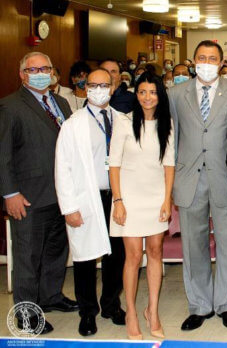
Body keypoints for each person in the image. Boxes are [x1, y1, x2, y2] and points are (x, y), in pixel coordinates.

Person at [168, 40, 227, 332]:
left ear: (222, 62)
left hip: (224, 177)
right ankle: (200, 305)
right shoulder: (175, 93)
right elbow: (172, 139)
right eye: (201, 57)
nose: (206, 62)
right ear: (192, 61)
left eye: (212, 58)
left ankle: (226, 304)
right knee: (194, 245)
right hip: (189, 178)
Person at [0, 51, 77, 335]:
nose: (41, 73)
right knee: (28, 256)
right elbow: (2, 154)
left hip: (61, 193)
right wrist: (9, 193)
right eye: (34, 69)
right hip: (28, 195)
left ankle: (51, 296)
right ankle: (27, 313)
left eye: (46, 68)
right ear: (22, 75)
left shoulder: (60, 102)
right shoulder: (9, 107)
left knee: (56, 250)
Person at [55, 68, 127, 337]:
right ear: (85, 87)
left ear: (113, 87)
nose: (99, 90)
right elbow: (62, 168)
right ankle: (88, 312)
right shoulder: (73, 124)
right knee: (85, 259)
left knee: (116, 256)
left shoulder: (122, 119)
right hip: (87, 198)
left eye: (104, 85)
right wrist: (69, 208)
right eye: (93, 85)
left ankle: (111, 304)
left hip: (116, 198)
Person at [108, 71, 174, 340]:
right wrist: (118, 201)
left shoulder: (166, 123)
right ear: (136, 94)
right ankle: (131, 314)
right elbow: (114, 165)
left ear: (160, 95)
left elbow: (169, 164)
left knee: (156, 251)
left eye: (153, 92)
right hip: (130, 199)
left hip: (156, 197)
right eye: (143, 92)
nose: (148, 97)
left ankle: (153, 310)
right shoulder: (124, 123)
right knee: (133, 257)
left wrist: (167, 199)